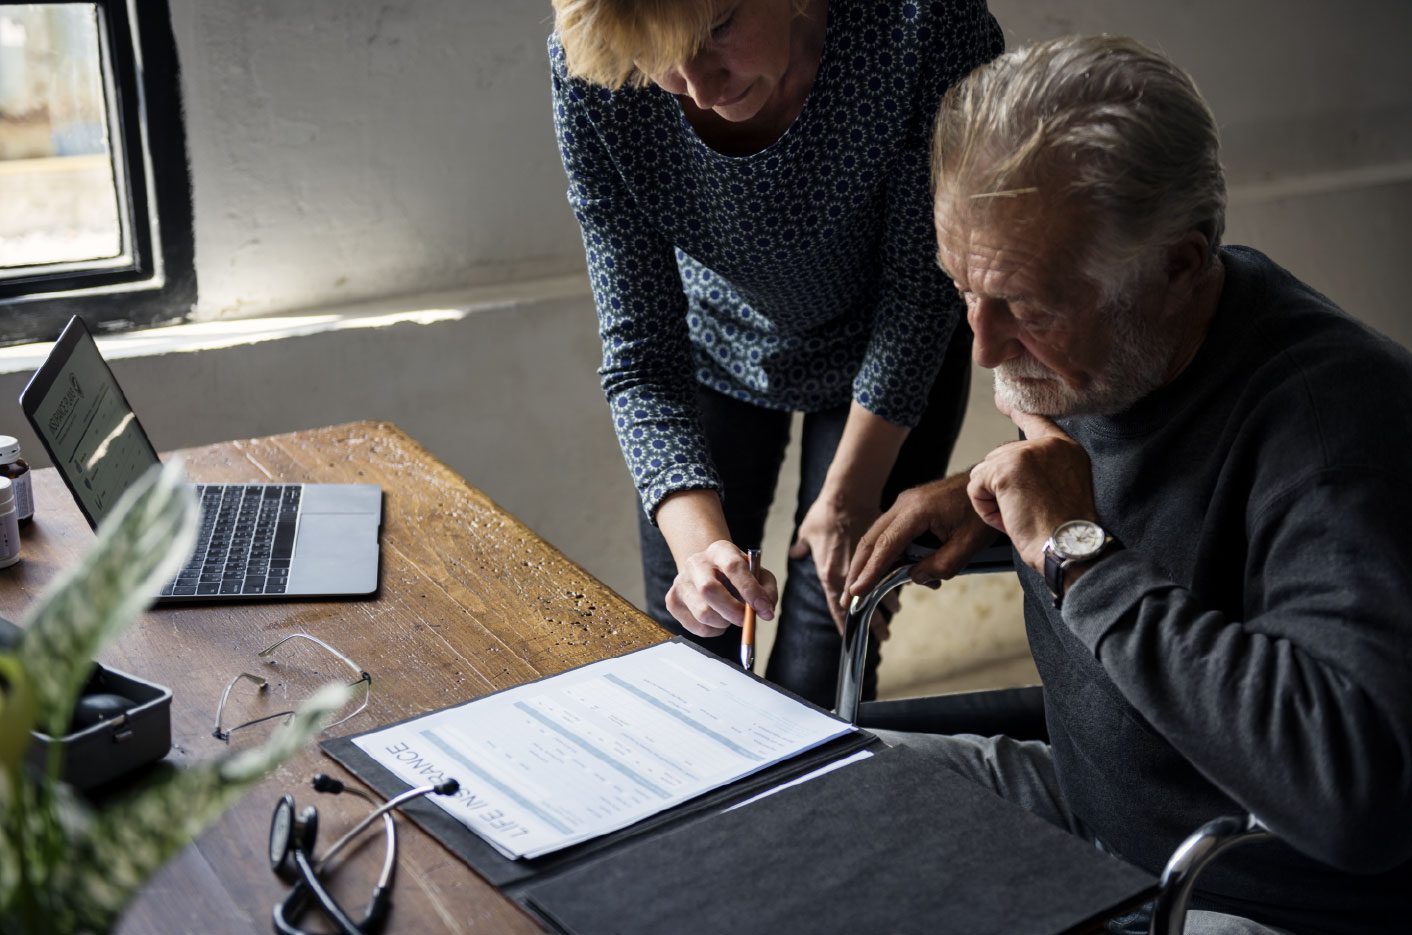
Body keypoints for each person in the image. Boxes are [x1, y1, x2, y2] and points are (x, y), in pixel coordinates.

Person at [844, 35, 1412, 934]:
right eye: (963, 291)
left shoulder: (1335, 434)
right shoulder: (1112, 351)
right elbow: (1156, 493)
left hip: (1248, 893)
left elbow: (1358, 789)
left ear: (1178, 268)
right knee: (798, 800)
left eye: (1025, 306)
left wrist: (1075, 548)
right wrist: (988, 493)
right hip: (1089, 805)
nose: (983, 348)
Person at [547, 0, 1003, 706]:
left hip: (891, 354)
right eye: (662, 62)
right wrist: (700, 550)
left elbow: (920, 287)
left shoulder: (923, 22)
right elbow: (640, 352)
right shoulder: (599, 73)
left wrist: (850, 495)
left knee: (824, 667)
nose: (700, 88)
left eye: (717, 31)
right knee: (694, 651)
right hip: (714, 347)